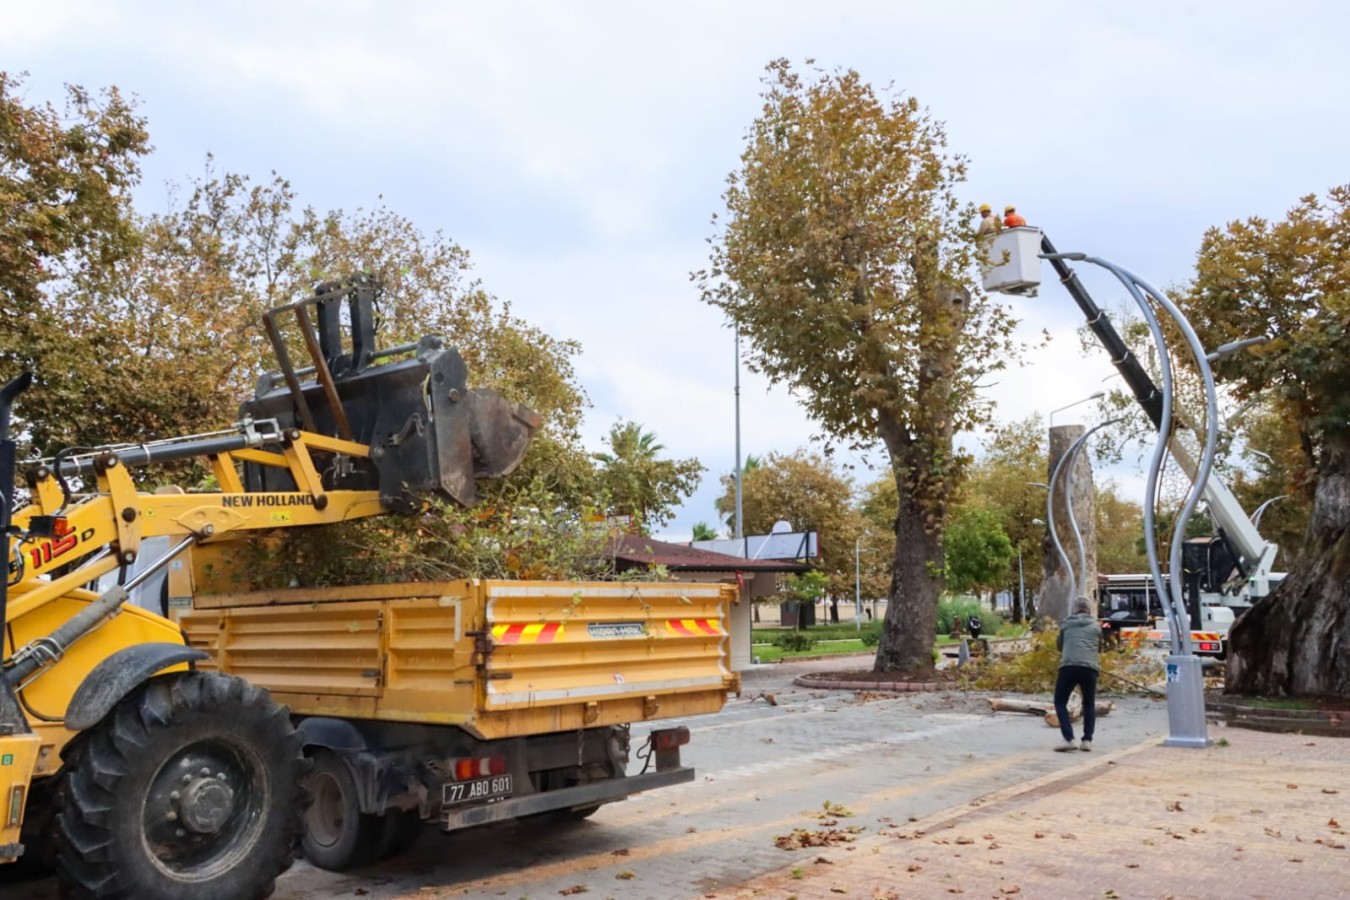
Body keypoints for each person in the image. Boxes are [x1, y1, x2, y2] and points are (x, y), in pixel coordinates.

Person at [1053, 596, 1101, 752]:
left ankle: (1068, 739)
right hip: (1090, 669)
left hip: (1068, 667)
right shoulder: (1096, 626)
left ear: (1074, 609)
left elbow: (1060, 645)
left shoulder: (1066, 624)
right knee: (1089, 704)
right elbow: (1099, 647)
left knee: (1060, 702)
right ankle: (1087, 740)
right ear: (1089, 609)